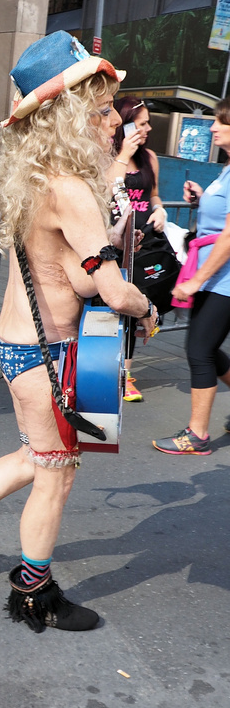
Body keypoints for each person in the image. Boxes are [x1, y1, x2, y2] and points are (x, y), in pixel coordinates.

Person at [0, 31, 158, 633]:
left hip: (45, 348)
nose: (113, 121)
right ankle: (32, 592)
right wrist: (146, 309)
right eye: (101, 109)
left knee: (37, 455)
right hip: (53, 354)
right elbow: (113, 292)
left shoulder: (38, 180)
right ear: (68, 117)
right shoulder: (70, 190)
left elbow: (72, 274)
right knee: (58, 471)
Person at [153, 98, 230, 456]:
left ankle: (197, 435)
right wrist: (202, 199)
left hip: (224, 282)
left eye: (220, 122)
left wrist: (197, 281)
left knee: (199, 350)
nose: (213, 127)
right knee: (208, 349)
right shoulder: (228, 167)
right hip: (217, 279)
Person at [108, 96, 167, 403]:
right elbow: (106, 191)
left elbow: (154, 195)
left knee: (135, 306)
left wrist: (160, 210)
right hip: (114, 243)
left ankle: (125, 374)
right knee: (112, 305)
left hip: (145, 244)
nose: (148, 128)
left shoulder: (149, 158)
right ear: (125, 123)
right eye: (141, 122)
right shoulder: (107, 155)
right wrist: (123, 154)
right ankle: (105, 369)